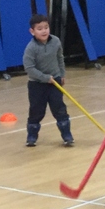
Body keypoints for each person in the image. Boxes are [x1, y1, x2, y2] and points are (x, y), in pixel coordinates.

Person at [22, 13, 74, 147]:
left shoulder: (56, 41)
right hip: (37, 84)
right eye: (39, 28)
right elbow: (29, 68)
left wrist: (61, 74)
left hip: (55, 81)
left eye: (46, 27)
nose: (44, 31)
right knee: (36, 110)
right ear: (32, 31)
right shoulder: (31, 48)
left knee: (59, 108)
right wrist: (45, 78)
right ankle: (32, 136)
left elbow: (60, 58)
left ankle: (67, 135)